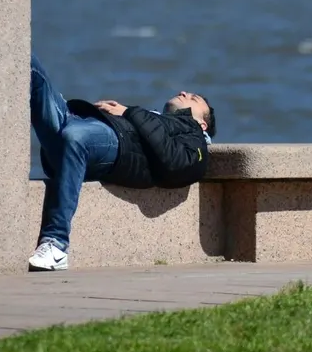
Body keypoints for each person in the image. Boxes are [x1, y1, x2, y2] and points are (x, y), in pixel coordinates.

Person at [27, 52, 215, 271]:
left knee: (75, 138)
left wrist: (128, 112)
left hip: (111, 144)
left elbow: (175, 164)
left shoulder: (195, 141)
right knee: (29, 64)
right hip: (75, 121)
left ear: (202, 124)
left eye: (193, 99)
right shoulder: (156, 119)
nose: (184, 92)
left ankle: (56, 245)